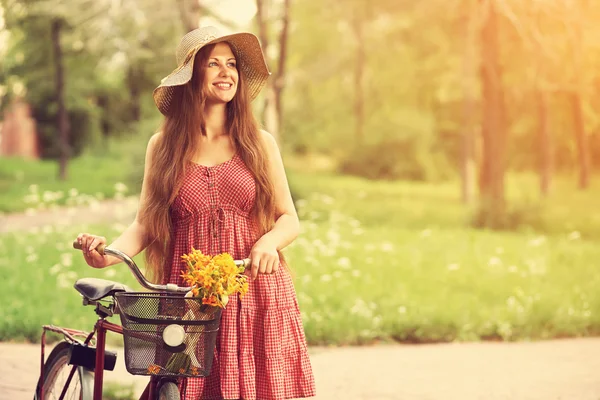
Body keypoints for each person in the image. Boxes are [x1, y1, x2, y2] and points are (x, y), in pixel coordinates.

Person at [76, 26, 316, 400]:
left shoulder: (259, 142)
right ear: (192, 76)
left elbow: (289, 217)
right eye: (214, 64)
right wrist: (106, 256)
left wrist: (269, 243)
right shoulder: (163, 147)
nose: (227, 72)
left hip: (253, 289)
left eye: (232, 64)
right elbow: (145, 223)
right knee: (183, 388)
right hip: (190, 294)